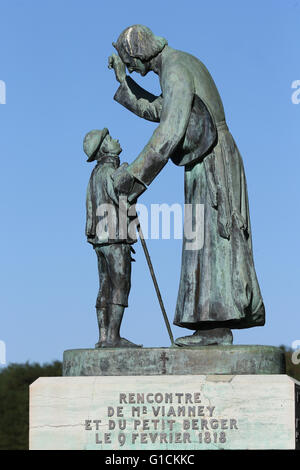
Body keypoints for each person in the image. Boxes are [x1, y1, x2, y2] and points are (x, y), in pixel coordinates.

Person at [108, 25, 265, 346]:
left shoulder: (176, 69)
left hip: (212, 159)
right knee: (202, 243)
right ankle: (210, 328)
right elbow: (159, 109)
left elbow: (170, 131)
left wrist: (134, 177)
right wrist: (125, 83)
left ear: (137, 55)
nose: (133, 65)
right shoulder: (175, 65)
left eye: (130, 61)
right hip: (203, 157)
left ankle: (215, 329)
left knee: (211, 242)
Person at [84, 127, 141, 348]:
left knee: (104, 286)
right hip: (115, 238)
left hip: (100, 240)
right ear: (102, 148)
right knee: (120, 285)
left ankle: (103, 337)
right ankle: (114, 337)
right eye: (108, 138)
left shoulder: (95, 174)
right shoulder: (111, 171)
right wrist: (128, 185)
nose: (114, 138)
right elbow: (123, 202)